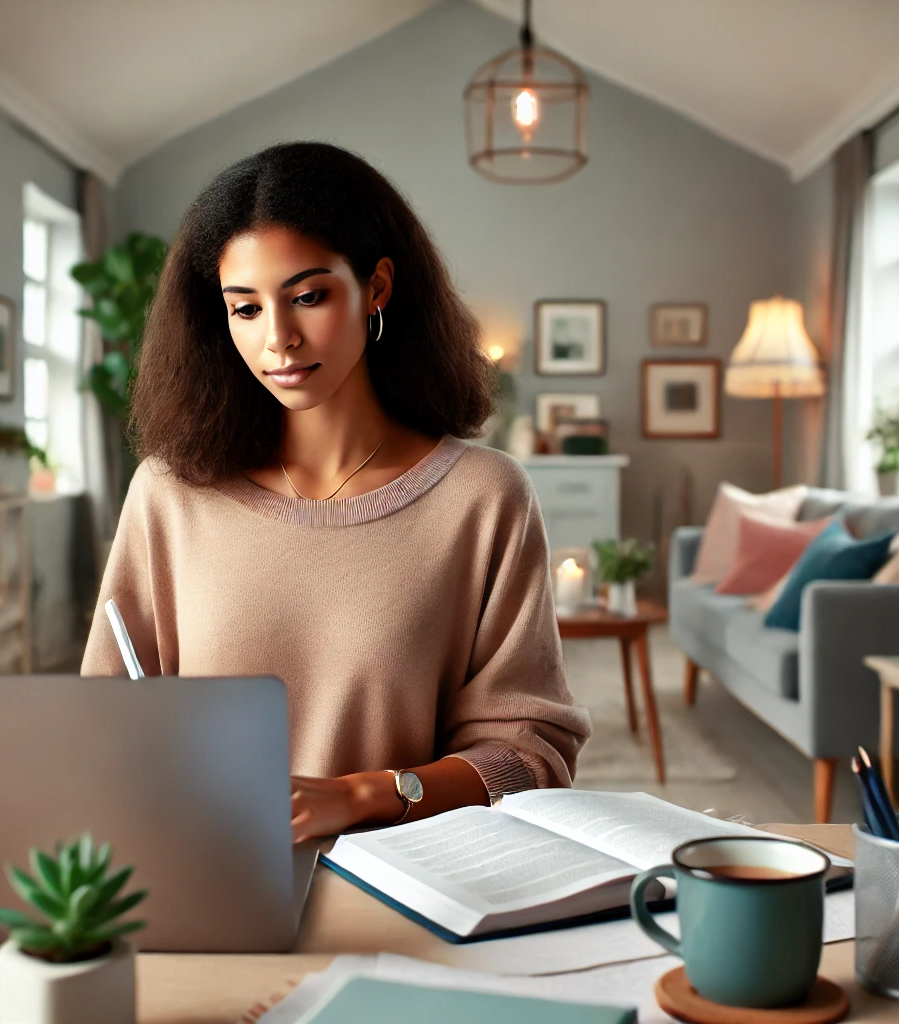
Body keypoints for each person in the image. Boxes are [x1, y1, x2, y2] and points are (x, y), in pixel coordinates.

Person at [81, 141, 591, 843]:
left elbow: (529, 758)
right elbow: (98, 732)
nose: (279, 340)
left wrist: (362, 795)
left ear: (376, 287)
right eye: (246, 309)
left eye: (309, 296)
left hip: (411, 886)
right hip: (209, 876)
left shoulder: (483, 497)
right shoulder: (169, 495)